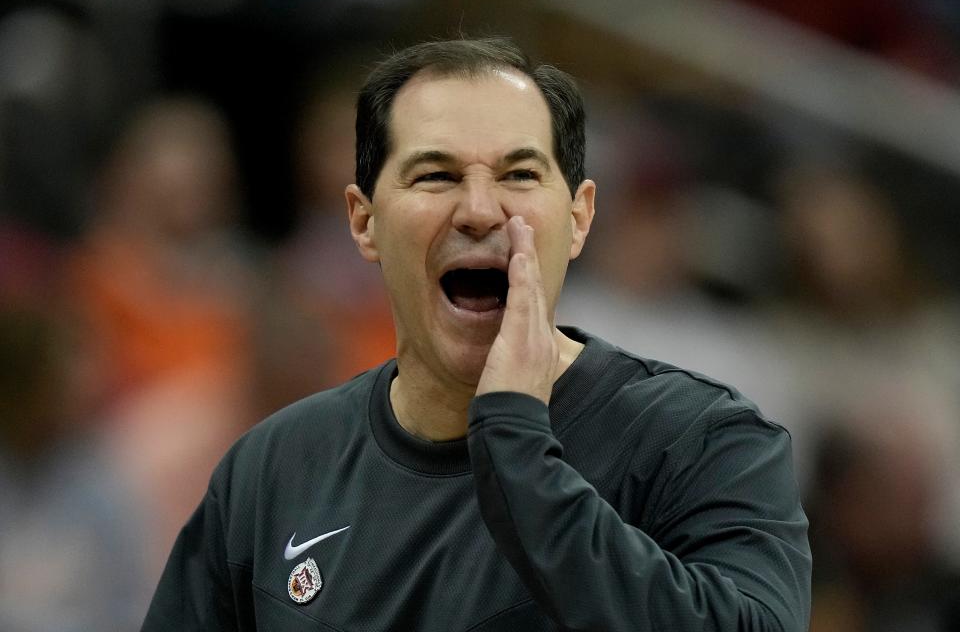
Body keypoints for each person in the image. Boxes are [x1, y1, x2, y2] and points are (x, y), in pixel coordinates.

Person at [141, 37, 811, 631]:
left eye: (520, 175)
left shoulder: (702, 442)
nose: (481, 210)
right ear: (364, 220)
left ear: (579, 218)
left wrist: (516, 441)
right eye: (437, 176)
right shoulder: (274, 469)